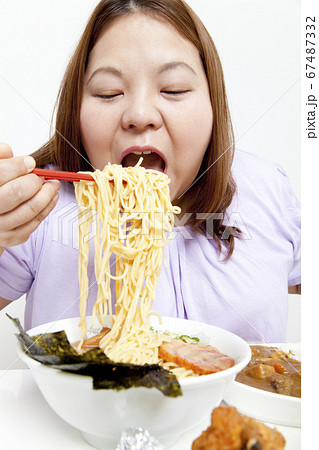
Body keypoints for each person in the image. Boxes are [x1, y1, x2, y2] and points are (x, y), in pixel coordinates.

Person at [0, 0, 300, 342]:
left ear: (212, 104)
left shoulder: (266, 188)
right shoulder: (37, 206)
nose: (140, 114)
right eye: (108, 92)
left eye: (173, 89)